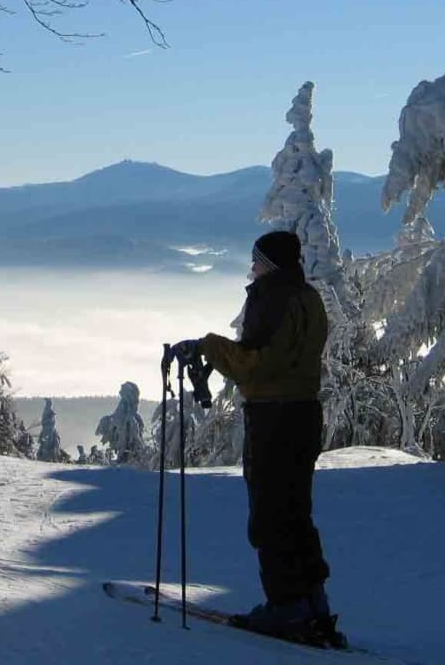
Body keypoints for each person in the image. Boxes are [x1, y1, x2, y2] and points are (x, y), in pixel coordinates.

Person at [176, 231, 336, 643]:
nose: (253, 268)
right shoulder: (308, 298)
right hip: (304, 414)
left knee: (270, 514)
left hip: (273, 418)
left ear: (271, 263)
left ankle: (286, 609)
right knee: (295, 512)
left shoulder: (274, 299)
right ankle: (313, 604)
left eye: (258, 261)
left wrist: (210, 347)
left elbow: (257, 365)